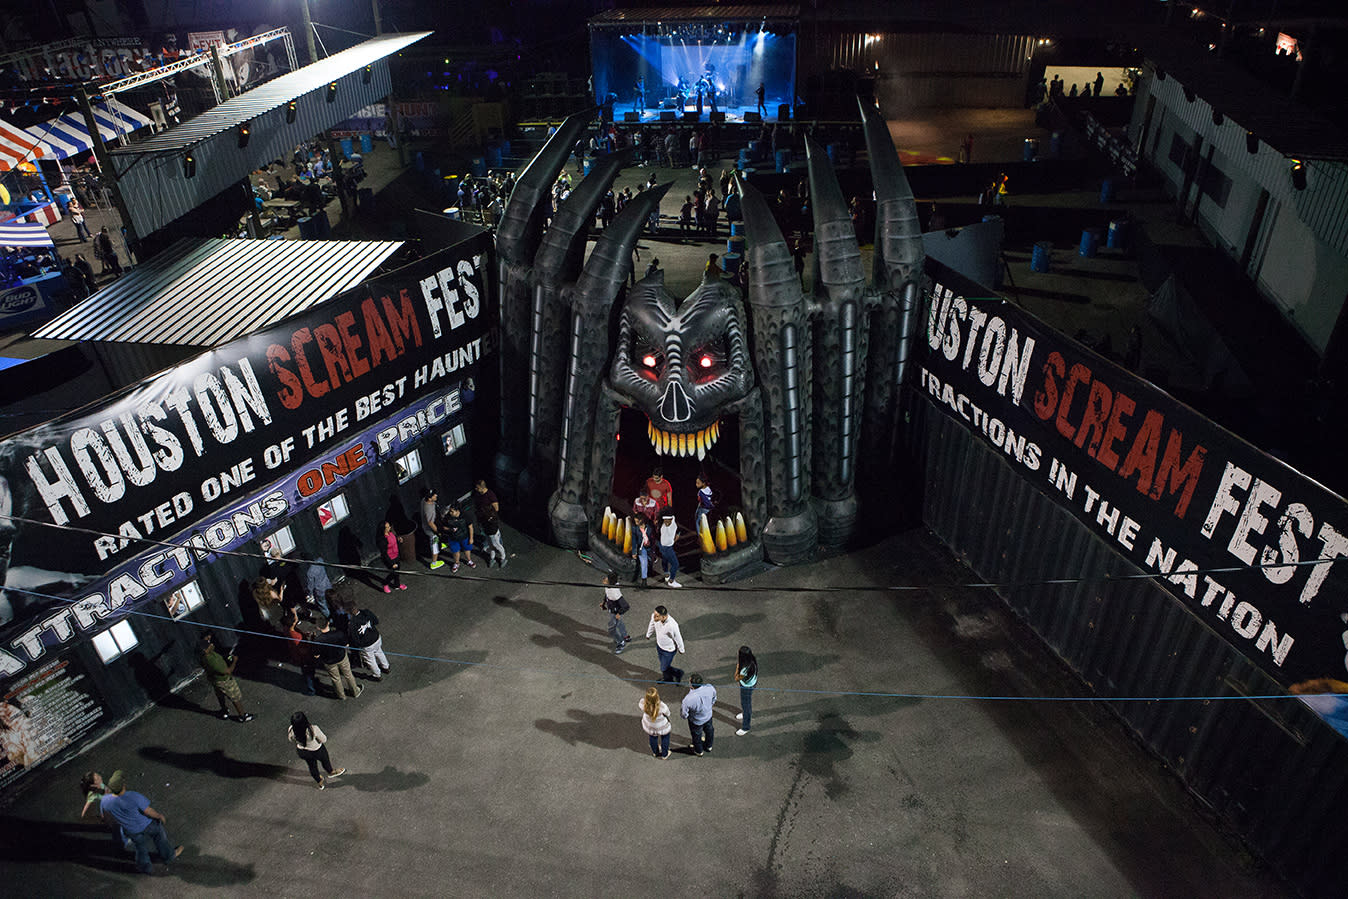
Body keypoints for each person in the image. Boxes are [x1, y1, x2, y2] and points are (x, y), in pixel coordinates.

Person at [99, 771, 182, 875]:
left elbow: (106, 818)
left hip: (130, 830)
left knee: (140, 847)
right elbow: (147, 810)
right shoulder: (133, 796)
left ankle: (145, 867)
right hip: (146, 825)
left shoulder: (105, 801)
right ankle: (168, 856)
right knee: (159, 834)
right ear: (123, 787)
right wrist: (159, 816)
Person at [197, 632, 254, 721]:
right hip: (224, 681)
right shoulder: (212, 661)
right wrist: (234, 661)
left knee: (220, 695)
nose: (211, 644)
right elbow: (227, 671)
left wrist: (208, 637)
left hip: (214, 680)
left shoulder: (203, 656)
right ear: (206, 650)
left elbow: (205, 643)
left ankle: (224, 710)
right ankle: (242, 716)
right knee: (235, 697)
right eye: (209, 645)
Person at [288, 711, 346, 789]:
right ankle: (331, 772)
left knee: (312, 766)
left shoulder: (291, 730)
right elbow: (324, 739)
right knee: (325, 760)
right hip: (316, 749)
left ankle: (319, 782)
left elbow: (290, 739)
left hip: (302, 751)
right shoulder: (313, 729)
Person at [312, 617, 362, 700]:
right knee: (348, 674)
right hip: (341, 657)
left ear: (318, 627)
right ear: (328, 623)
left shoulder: (317, 640)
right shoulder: (338, 633)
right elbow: (346, 645)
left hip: (329, 662)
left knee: (335, 679)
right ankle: (355, 691)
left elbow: (316, 655)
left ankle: (341, 695)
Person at [346, 601, 390, 680]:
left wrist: (359, 645)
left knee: (370, 660)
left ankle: (377, 675)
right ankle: (385, 666)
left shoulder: (352, 624)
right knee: (379, 651)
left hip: (367, 645)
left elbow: (355, 639)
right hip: (376, 637)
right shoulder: (366, 612)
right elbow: (376, 621)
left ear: (348, 611)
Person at [645, 604, 685, 683]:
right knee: (664, 665)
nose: (654, 617)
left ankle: (677, 673)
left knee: (663, 667)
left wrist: (681, 649)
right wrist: (648, 634)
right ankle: (668, 677)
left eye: (657, 616)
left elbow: (678, 637)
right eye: (654, 614)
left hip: (668, 650)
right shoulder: (655, 618)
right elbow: (652, 624)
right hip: (659, 646)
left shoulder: (672, 625)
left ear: (663, 617)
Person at [680, 673, 717, 756]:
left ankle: (699, 751)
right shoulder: (710, 687)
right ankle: (708, 746)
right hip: (708, 716)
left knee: (696, 736)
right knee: (709, 731)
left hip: (696, 721)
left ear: (691, 684)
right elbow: (714, 698)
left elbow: (684, 714)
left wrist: (686, 717)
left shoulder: (688, 699)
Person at [439, 503, 475, 572]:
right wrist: (450, 529)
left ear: (458, 511)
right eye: (450, 511)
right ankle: (456, 563)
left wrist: (471, 538)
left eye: (452, 511)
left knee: (467, 549)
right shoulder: (447, 517)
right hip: (453, 538)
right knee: (455, 551)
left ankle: (469, 560)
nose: (450, 513)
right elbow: (443, 527)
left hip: (464, 537)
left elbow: (470, 527)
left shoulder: (465, 516)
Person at [600, 573, 631, 654]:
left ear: (610, 581)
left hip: (615, 611)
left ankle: (621, 642)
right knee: (619, 623)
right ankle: (625, 636)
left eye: (606, 578)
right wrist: (603, 602)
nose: (604, 579)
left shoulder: (615, 593)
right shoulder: (609, 586)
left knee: (611, 630)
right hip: (611, 608)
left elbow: (626, 606)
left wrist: (619, 613)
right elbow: (607, 594)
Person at [640, 687, 672, 759]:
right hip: (662, 726)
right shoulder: (662, 706)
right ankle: (664, 754)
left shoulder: (642, 703)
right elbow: (668, 713)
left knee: (652, 738)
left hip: (650, 726)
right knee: (665, 739)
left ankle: (655, 752)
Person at [733, 645, 758, 735]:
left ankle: (746, 727)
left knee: (746, 704)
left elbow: (736, 678)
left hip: (746, 687)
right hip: (752, 683)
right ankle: (746, 713)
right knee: (747, 703)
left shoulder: (744, 669)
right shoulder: (752, 661)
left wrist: (737, 667)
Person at [421, 488, 444, 569]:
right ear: (430, 498)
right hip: (431, 531)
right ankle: (434, 563)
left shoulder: (424, 500)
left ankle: (440, 544)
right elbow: (430, 523)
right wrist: (438, 532)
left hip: (426, 526)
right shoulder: (429, 509)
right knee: (434, 544)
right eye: (434, 495)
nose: (436, 495)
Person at [380, 520, 405, 592]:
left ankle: (397, 585)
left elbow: (395, 543)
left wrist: (399, 540)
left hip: (396, 556)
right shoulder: (382, 539)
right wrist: (391, 563)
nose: (389, 528)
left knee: (397, 572)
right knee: (393, 573)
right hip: (390, 559)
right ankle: (385, 583)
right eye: (387, 527)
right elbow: (384, 553)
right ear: (383, 529)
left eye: (389, 526)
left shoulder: (391, 533)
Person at [658, 512, 681, 588]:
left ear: (672, 519)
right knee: (675, 564)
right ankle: (671, 581)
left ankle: (666, 573)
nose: (666, 522)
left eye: (668, 520)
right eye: (665, 520)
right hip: (667, 548)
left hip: (662, 547)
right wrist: (674, 539)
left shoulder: (666, 525)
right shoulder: (670, 526)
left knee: (665, 560)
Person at [632, 515, 656, 587]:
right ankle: (644, 580)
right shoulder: (635, 529)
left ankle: (650, 569)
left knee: (650, 560)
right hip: (641, 548)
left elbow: (653, 540)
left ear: (641, 520)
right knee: (643, 563)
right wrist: (634, 552)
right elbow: (634, 541)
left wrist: (653, 550)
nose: (635, 522)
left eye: (637, 521)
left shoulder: (649, 528)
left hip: (649, 547)